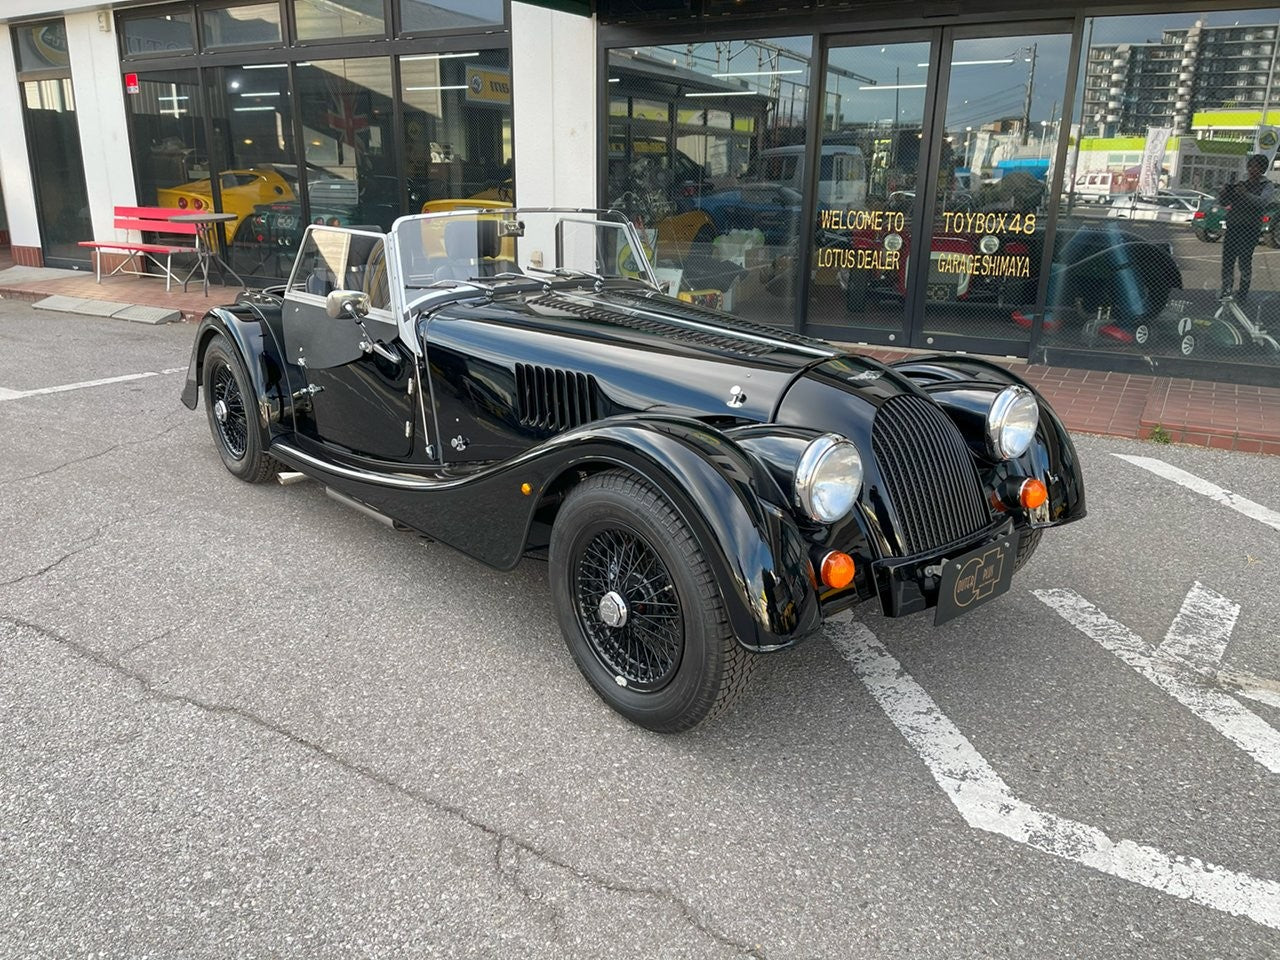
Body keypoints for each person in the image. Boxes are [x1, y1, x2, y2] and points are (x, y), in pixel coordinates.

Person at [1219, 153, 1275, 303]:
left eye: (1256, 167)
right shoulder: (1241, 183)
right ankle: (1226, 289)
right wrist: (1224, 193)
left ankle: (1242, 293)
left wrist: (1246, 194)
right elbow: (1224, 203)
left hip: (1250, 227)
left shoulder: (1267, 185)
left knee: (1244, 260)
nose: (1252, 169)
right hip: (1233, 225)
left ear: (1263, 169)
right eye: (1250, 166)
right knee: (1227, 260)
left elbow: (1262, 202)